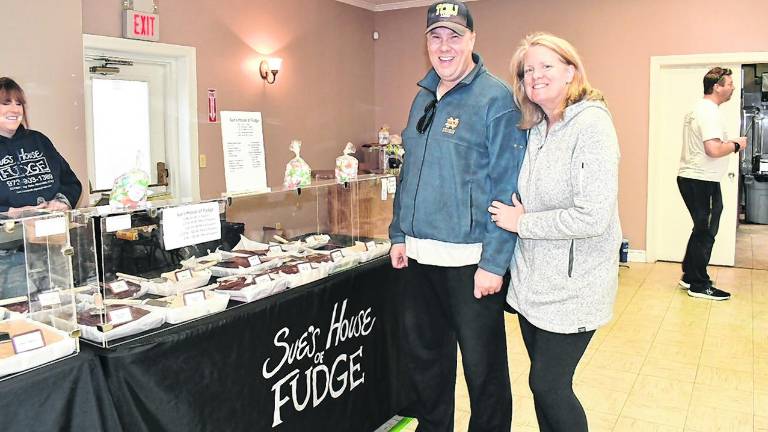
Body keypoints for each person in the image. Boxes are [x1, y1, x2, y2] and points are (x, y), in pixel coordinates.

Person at [388, 1, 526, 430]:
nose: (444, 46)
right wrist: (398, 233)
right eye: (435, 36)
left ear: (472, 39)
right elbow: (409, 170)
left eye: (454, 36)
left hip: (471, 263)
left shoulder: (496, 98)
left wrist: (494, 263)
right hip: (419, 258)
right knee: (427, 361)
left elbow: (508, 186)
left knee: (483, 371)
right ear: (427, 42)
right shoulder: (422, 96)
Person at [488, 33, 621, 432]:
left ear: (570, 71)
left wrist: (522, 222)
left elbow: (592, 217)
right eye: (528, 70)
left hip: (574, 288)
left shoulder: (592, 125)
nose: (536, 76)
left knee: (549, 384)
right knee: (543, 386)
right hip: (533, 285)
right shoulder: (536, 128)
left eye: (546, 66)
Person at [0, 77, 82, 298]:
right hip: (9, 254)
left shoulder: (39, 141)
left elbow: (71, 182)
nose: (14, 109)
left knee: (61, 312)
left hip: (52, 247)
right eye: (6, 103)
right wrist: (11, 213)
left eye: (19, 103)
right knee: (22, 320)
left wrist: (61, 202)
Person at [676, 67, 745, 300]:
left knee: (701, 228)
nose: (733, 87)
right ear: (717, 87)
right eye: (729, 84)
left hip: (700, 178)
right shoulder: (708, 112)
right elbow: (713, 149)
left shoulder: (701, 109)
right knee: (705, 231)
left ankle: (689, 275)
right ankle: (699, 284)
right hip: (700, 179)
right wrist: (736, 145)